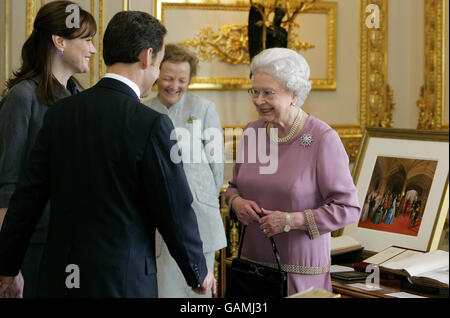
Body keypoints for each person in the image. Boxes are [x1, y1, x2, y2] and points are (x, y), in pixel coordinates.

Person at [0, 10, 215, 298]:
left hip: (59, 278)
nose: (155, 72)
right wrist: (197, 271)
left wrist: (7, 265)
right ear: (147, 56)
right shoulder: (150, 123)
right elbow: (174, 207)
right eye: (159, 63)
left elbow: (26, 199)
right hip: (122, 280)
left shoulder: (61, 113)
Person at [225, 48, 360, 295]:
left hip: (299, 275)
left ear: (294, 94)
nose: (258, 100)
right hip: (250, 274)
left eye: (268, 93)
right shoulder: (252, 132)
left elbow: (348, 208)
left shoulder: (323, 139)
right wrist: (237, 202)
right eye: (254, 91)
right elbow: (233, 187)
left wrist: (291, 221)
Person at [0, 1, 97, 298]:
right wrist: (8, 264)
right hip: (34, 246)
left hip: (77, 243)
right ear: (59, 41)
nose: (93, 50)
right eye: (87, 40)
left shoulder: (80, 96)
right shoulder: (22, 98)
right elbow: (7, 185)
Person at [145, 44, 226, 298]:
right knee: (164, 288)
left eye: (182, 79)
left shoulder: (203, 109)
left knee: (198, 291)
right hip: (155, 220)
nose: (174, 85)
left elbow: (216, 166)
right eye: (168, 78)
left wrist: (202, 200)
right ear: (157, 74)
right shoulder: (143, 109)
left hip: (199, 218)